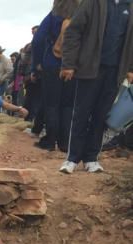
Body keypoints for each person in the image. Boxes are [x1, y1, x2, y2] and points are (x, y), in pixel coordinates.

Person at [59, 0, 133, 174]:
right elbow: (73, 31)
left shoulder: (129, 6)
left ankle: (91, 158)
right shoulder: (94, 3)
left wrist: (130, 68)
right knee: (81, 113)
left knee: (101, 116)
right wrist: (69, 64)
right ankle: (72, 158)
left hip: (115, 72)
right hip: (90, 68)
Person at [34, 1, 80, 152]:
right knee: (67, 105)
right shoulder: (81, 13)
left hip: (52, 64)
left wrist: (38, 61)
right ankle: (64, 142)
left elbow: (39, 38)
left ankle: (50, 140)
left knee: (52, 104)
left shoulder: (54, 15)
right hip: (73, 67)